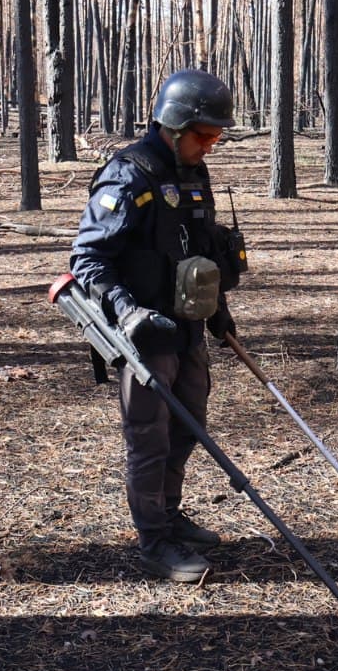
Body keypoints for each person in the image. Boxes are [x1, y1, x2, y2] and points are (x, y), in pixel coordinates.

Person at [69, 69, 243, 582]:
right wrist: (126, 311)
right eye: (203, 135)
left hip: (187, 327)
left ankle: (169, 514)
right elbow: (88, 258)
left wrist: (220, 308)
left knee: (189, 426)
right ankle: (153, 542)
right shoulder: (129, 175)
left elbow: (201, 242)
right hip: (143, 335)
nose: (210, 146)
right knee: (150, 438)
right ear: (172, 124)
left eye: (216, 137)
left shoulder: (193, 172)